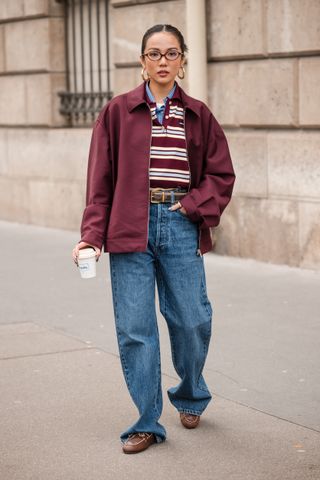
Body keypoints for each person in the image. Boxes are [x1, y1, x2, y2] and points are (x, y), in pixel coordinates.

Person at [72, 24, 235, 454]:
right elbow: (100, 182)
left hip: (181, 222)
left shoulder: (198, 114)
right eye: (154, 54)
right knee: (135, 329)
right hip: (129, 225)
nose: (163, 61)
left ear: (182, 61)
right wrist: (91, 236)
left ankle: (191, 393)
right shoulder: (117, 112)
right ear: (142, 61)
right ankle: (147, 421)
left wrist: (193, 206)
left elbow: (221, 175)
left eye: (172, 54)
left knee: (192, 319)